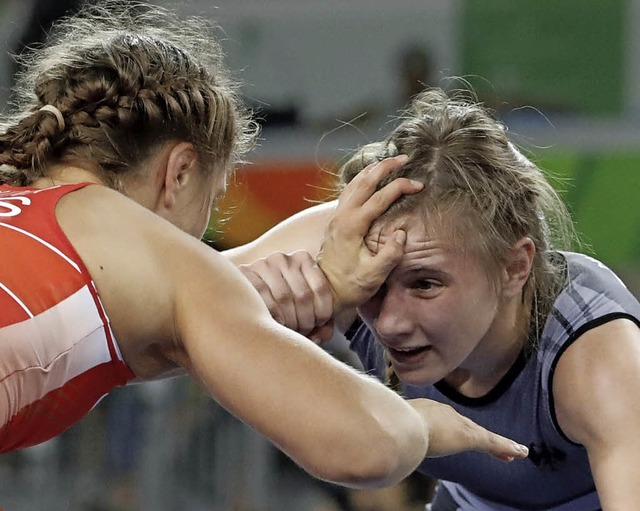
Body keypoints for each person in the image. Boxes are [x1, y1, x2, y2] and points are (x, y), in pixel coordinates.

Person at [0, 0, 528, 491]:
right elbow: (362, 443)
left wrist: (319, 280)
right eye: (214, 199)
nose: (197, 244)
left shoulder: (41, 217)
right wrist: (422, 424)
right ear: (180, 173)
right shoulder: (141, 247)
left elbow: (140, 311)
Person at [227, 87, 640, 510]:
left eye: (425, 284)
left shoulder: (601, 365)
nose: (389, 324)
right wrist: (252, 292)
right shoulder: (346, 241)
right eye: (376, 280)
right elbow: (169, 286)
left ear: (515, 268)